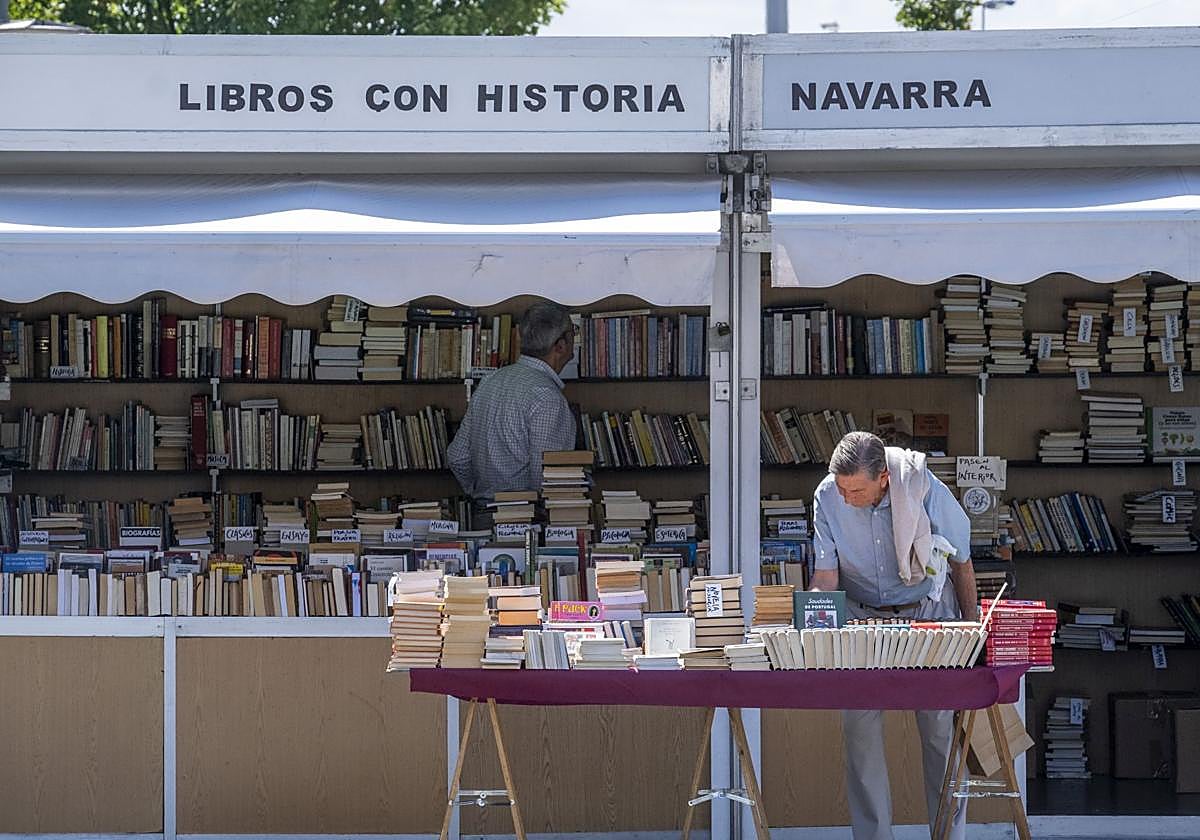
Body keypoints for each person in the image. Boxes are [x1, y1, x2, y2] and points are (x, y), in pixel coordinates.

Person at [809, 430, 978, 840]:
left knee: (940, 732)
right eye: (842, 488)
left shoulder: (922, 485)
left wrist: (972, 632)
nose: (846, 497)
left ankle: (948, 835)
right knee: (860, 736)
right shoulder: (827, 495)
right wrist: (809, 619)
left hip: (927, 612)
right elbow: (826, 577)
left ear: (884, 477)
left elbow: (961, 561)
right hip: (860, 615)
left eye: (856, 489)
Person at [447, 300, 578, 513]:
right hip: (526, 520)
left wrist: (483, 495)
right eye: (574, 333)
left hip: (483, 513)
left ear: (519, 336)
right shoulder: (546, 397)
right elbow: (548, 479)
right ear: (561, 346)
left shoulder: (490, 382)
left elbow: (458, 456)